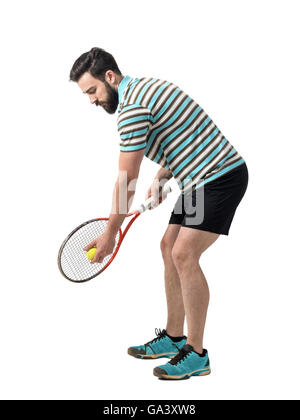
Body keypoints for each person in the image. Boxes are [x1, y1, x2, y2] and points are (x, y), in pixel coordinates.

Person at [69, 47, 248, 380]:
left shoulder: (131, 109)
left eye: (92, 91)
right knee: (168, 247)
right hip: (196, 180)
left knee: (184, 254)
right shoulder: (144, 89)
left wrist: (110, 232)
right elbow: (182, 132)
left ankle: (196, 354)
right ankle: (173, 336)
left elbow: (126, 181)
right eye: (86, 95)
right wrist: (164, 176)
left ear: (110, 77)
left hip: (220, 177)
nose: (91, 101)